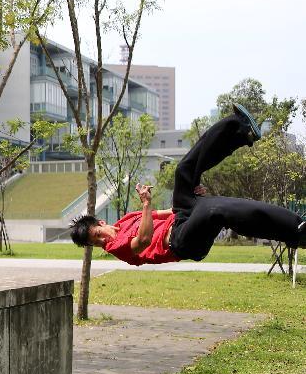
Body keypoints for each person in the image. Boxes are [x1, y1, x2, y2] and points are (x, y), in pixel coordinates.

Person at [70, 104, 306, 265]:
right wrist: (147, 205)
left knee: (184, 171)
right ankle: (296, 231)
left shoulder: (124, 221)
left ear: (101, 223)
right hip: (181, 242)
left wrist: (193, 201)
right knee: (215, 210)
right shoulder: (117, 248)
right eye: (96, 243)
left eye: (98, 234)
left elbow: (162, 213)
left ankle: (240, 130)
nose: (102, 241)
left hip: (182, 219)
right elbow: (143, 240)